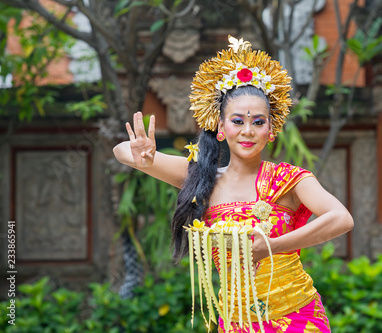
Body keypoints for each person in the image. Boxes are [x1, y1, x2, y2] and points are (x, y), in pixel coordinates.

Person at [113, 36, 354, 333]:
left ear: (272, 129)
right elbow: (122, 151)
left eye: (258, 122)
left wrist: (272, 246)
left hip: (297, 318)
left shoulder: (288, 179)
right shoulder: (203, 178)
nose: (248, 132)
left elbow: (341, 218)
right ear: (221, 127)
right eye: (238, 121)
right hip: (235, 322)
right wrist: (144, 157)